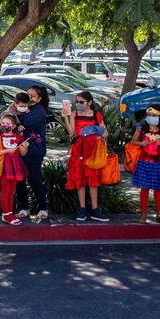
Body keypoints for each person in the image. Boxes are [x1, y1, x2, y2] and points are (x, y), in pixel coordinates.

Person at [63, 90, 109, 222]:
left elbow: (105, 133)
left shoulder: (96, 115)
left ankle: (95, 209)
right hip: (77, 150)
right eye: (76, 102)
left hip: (92, 151)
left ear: (90, 103)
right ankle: (82, 208)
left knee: (92, 180)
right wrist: (65, 118)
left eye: (81, 102)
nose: (78, 104)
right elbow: (72, 133)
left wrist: (91, 132)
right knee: (80, 180)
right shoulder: (74, 114)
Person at [11, 87, 50, 222]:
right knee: (19, 180)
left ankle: (43, 208)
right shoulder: (21, 107)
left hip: (34, 150)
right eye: (27, 94)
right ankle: (23, 208)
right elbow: (8, 118)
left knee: (34, 179)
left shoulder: (39, 110)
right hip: (19, 149)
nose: (28, 97)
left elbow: (25, 122)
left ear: (39, 99)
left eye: (32, 96)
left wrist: (17, 112)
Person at [131, 106, 160, 224]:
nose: (150, 118)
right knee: (144, 188)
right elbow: (133, 141)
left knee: (157, 189)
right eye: (148, 115)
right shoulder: (141, 128)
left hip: (158, 163)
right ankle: (144, 214)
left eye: (153, 115)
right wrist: (141, 143)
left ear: (159, 116)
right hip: (145, 161)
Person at [0, 113, 26, 225]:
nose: (5, 125)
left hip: (15, 166)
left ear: (13, 126)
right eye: (3, 123)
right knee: (5, 191)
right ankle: (5, 214)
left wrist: (25, 146)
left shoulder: (18, 137)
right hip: (4, 166)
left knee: (12, 191)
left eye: (8, 123)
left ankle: (10, 213)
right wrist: (6, 151)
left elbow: (23, 153)